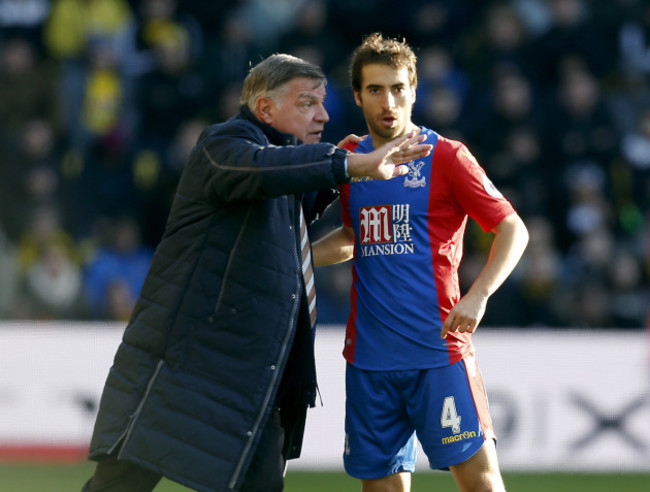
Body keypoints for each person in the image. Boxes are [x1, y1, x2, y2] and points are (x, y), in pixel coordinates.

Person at [82, 52, 432, 492]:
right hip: (183, 364)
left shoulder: (285, 165)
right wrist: (345, 165)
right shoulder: (222, 145)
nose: (323, 114)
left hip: (253, 376)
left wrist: (334, 178)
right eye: (307, 103)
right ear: (265, 109)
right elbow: (263, 171)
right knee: (121, 484)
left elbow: (284, 200)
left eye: (322, 103)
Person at [313, 33, 529, 492]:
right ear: (357, 96)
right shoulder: (351, 163)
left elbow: (513, 228)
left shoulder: (447, 156)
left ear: (414, 90)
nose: (388, 101)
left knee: (481, 484)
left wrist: (479, 295)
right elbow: (356, 237)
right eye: (375, 89)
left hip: (437, 353)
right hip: (370, 362)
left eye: (397, 88)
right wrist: (297, 260)